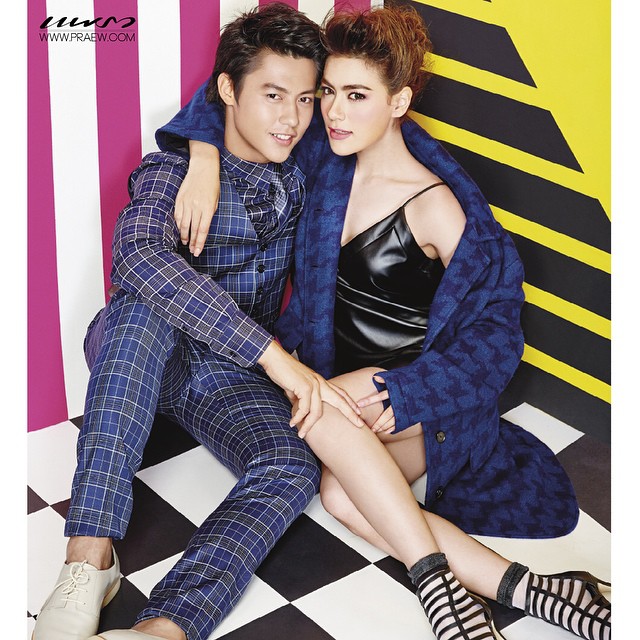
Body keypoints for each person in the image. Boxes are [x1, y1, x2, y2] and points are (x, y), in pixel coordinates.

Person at [158, 5, 611, 640]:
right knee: (339, 494)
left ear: (398, 102)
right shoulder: (323, 159)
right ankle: (537, 589)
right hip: (347, 399)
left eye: (357, 95)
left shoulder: (436, 204)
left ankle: (436, 593)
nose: (333, 112)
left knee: (315, 404)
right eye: (327, 92)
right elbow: (227, 98)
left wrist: (408, 392)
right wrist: (203, 158)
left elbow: (498, 333)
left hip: (419, 404)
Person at [31, 6, 368, 640]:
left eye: (304, 99)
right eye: (273, 95)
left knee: (292, 463)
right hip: (143, 356)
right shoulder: (173, 171)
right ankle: (88, 560)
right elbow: (138, 256)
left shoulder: (301, 172)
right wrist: (275, 357)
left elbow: (372, 113)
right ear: (227, 92)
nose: (292, 118)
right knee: (141, 309)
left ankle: (166, 625)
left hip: (225, 375)